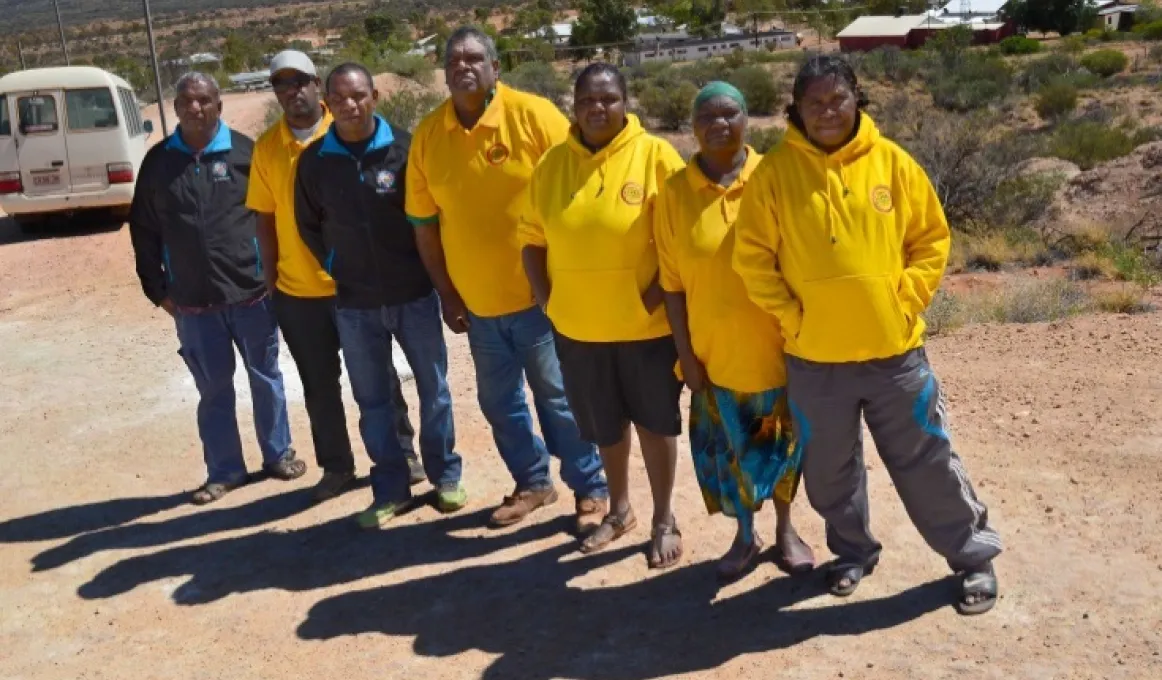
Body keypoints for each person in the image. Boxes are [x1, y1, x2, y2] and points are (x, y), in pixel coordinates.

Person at [733, 55, 1002, 614]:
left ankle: (972, 557)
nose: (828, 112)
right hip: (815, 358)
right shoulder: (775, 174)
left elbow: (931, 240)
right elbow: (753, 258)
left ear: (857, 99)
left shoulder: (893, 164)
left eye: (838, 100)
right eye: (815, 104)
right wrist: (793, 317)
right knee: (830, 472)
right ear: (797, 110)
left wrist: (903, 302)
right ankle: (852, 552)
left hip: (894, 354)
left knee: (927, 460)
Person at [407, 27, 609, 532]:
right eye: (453, 59)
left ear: (496, 68)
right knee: (499, 403)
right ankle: (533, 483)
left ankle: (591, 488)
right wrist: (447, 294)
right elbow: (424, 226)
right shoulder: (430, 135)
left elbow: (578, 185)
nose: (463, 66)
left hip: (541, 299)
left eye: (475, 57)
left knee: (559, 397)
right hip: (478, 307)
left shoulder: (534, 115)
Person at [520, 63, 686, 569]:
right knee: (606, 429)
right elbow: (531, 238)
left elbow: (681, 239)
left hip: (645, 331)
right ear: (574, 104)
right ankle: (619, 511)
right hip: (580, 332)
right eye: (588, 99)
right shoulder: (552, 166)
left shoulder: (656, 156)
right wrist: (549, 300)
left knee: (656, 426)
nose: (598, 108)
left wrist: (652, 300)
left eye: (609, 98)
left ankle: (663, 518)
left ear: (626, 102)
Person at [655, 82, 815, 582]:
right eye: (706, 115)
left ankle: (787, 529)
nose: (718, 123)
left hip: (780, 351)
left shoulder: (774, 176)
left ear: (749, 118)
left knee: (785, 450)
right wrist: (686, 353)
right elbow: (672, 285)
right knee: (728, 456)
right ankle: (746, 535)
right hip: (714, 359)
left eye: (730, 112)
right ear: (692, 125)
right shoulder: (675, 194)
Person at [247, 50, 423, 504]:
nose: (292, 91)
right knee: (319, 385)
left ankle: (404, 456)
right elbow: (264, 221)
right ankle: (337, 466)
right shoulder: (267, 148)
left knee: (379, 379)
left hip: (356, 288)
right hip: (299, 292)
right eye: (282, 84)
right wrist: (272, 282)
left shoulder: (342, 130)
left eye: (300, 81)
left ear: (317, 86)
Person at [295, 63, 465, 529]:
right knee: (372, 401)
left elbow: (432, 218)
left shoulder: (407, 149)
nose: (351, 105)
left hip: (413, 294)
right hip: (354, 304)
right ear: (328, 104)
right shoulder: (314, 163)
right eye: (341, 98)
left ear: (375, 96)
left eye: (359, 95)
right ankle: (390, 489)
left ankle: (445, 477)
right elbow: (307, 225)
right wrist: (335, 267)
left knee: (434, 391)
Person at [129, 72, 304, 505]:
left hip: (251, 294)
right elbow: (144, 230)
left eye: (204, 100)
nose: (195, 108)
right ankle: (224, 471)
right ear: (175, 108)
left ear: (218, 105)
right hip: (192, 303)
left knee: (266, 378)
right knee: (213, 392)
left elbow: (275, 218)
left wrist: (274, 275)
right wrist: (158, 291)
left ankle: (278, 455)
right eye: (186, 101)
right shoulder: (158, 164)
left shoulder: (247, 153)